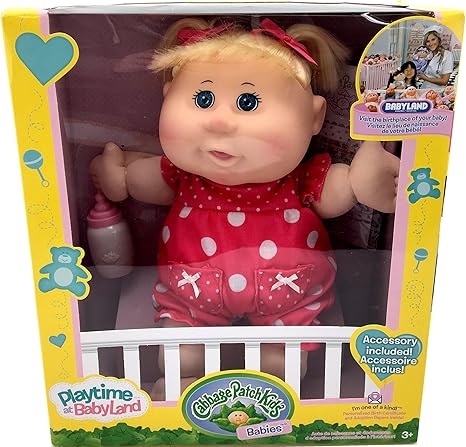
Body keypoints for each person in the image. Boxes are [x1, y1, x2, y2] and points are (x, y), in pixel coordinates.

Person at [90, 17, 400, 399]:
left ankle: (275, 391)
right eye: (203, 100)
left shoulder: (301, 180)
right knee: (183, 351)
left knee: (280, 360)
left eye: (247, 103)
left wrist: (363, 182)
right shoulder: (183, 175)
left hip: (286, 296)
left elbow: (342, 189)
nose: (220, 122)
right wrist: (119, 178)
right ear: (168, 97)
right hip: (193, 294)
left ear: (315, 116)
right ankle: (183, 384)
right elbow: (140, 180)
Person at [418, 25, 454, 92]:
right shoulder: (425, 55)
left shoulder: (447, 55)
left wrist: (426, 78)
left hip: (438, 92)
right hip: (423, 90)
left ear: (438, 39)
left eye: (433, 39)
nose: (431, 43)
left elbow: (444, 81)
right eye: (428, 41)